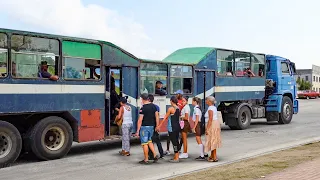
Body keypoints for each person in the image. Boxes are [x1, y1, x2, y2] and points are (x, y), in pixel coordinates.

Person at [135, 93, 159, 164]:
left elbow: (140, 120)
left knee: (144, 143)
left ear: (142, 99)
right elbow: (157, 116)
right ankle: (154, 155)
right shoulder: (154, 106)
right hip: (151, 127)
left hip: (144, 127)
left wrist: (137, 131)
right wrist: (157, 126)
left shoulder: (143, 108)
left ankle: (146, 159)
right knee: (149, 141)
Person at [157, 96, 181, 163]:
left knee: (174, 142)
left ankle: (176, 158)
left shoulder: (171, 109)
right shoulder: (178, 108)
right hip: (177, 126)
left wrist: (159, 125)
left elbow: (165, 118)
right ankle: (177, 156)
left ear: (171, 101)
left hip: (172, 127)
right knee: (176, 141)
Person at [204, 96, 222, 162]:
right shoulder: (214, 107)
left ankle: (214, 157)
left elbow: (210, 119)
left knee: (212, 140)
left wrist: (207, 128)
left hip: (212, 125)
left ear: (209, 101)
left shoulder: (210, 109)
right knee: (213, 140)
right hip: (215, 124)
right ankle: (212, 156)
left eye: (206, 100)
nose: (205, 101)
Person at [147, 94, 165, 160]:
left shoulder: (147, 106)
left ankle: (151, 155)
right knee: (157, 140)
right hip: (155, 124)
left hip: (150, 124)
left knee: (150, 140)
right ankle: (161, 153)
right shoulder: (157, 107)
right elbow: (158, 116)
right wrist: (158, 125)